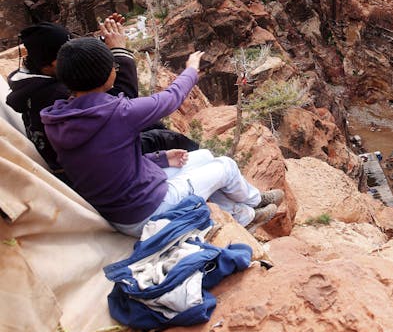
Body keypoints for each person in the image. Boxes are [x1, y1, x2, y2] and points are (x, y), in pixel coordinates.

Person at [41, 37, 282, 236]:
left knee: (205, 156)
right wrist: (191, 70)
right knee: (227, 166)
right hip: (146, 211)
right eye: (114, 67)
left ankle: (243, 212)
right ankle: (251, 208)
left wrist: (161, 159)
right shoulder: (117, 114)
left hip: (121, 207)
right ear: (107, 77)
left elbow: (107, 164)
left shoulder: (58, 119)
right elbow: (170, 98)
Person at [6, 17, 198, 182]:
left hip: (83, 151)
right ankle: (196, 165)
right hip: (86, 166)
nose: (70, 58)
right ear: (47, 65)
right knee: (165, 138)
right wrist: (118, 52)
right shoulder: (54, 94)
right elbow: (120, 103)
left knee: (152, 125)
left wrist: (100, 46)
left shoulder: (34, 83)